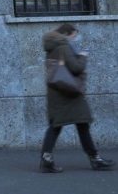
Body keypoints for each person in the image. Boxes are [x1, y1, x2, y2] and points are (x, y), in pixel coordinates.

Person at [39, 23, 115, 173]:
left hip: (58, 92)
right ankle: (95, 159)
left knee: (58, 125)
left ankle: (47, 159)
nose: (74, 39)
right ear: (66, 34)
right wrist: (82, 56)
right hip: (70, 92)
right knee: (81, 124)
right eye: (73, 36)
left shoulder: (52, 47)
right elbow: (76, 67)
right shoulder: (64, 46)